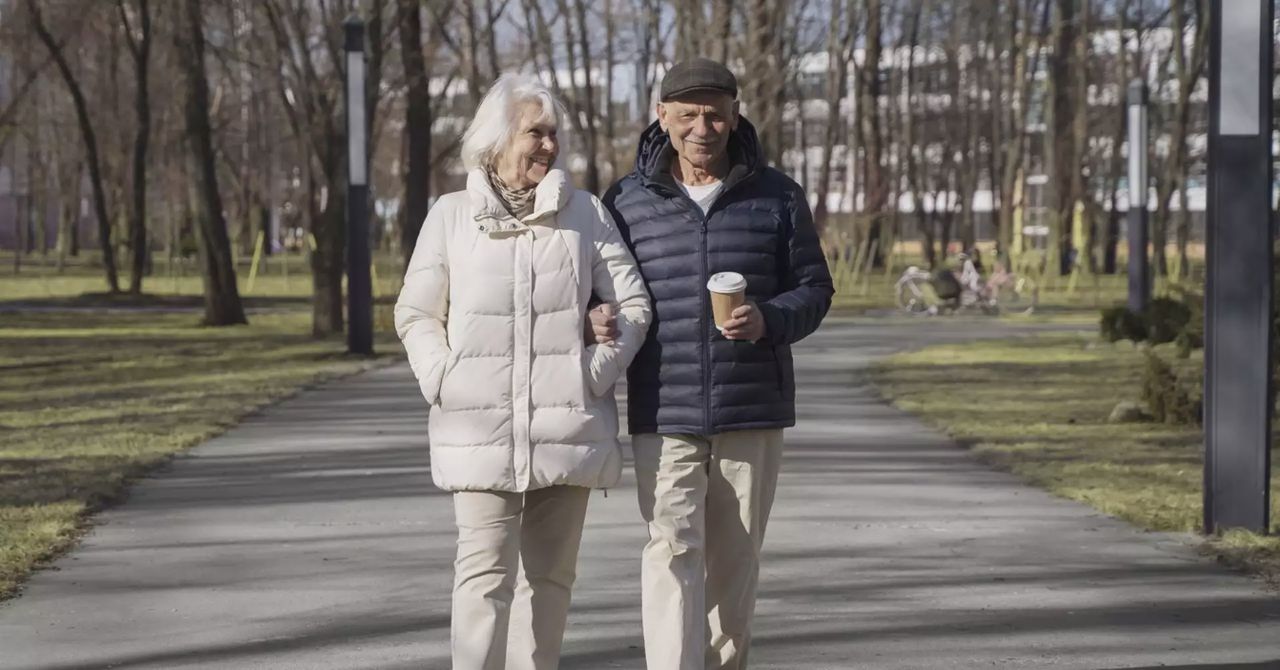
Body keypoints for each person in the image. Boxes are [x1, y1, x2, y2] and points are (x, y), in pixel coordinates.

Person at [394, 73, 651, 670]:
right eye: (535, 132)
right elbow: (416, 312)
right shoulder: (451, 216)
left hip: (566, 426)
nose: (549, 145)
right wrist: (443, 379)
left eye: (553, 133)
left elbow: (634, 306)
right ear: (496, 138)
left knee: (551, 578)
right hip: (477, 430)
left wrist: (594, 371)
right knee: (483, 576)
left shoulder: (585, 213)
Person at [596, 58, 834, 669]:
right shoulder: (625, 200)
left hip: (751, 408)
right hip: (663, 407)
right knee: (670, 550)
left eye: (715, 115)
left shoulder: (778, 194)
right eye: (687, 115)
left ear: (735, 115)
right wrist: (596, 316)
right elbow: (598, 290)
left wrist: (768, 319)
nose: (702, 128)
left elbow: (815, 288)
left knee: (734, 559)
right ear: (662, 116)